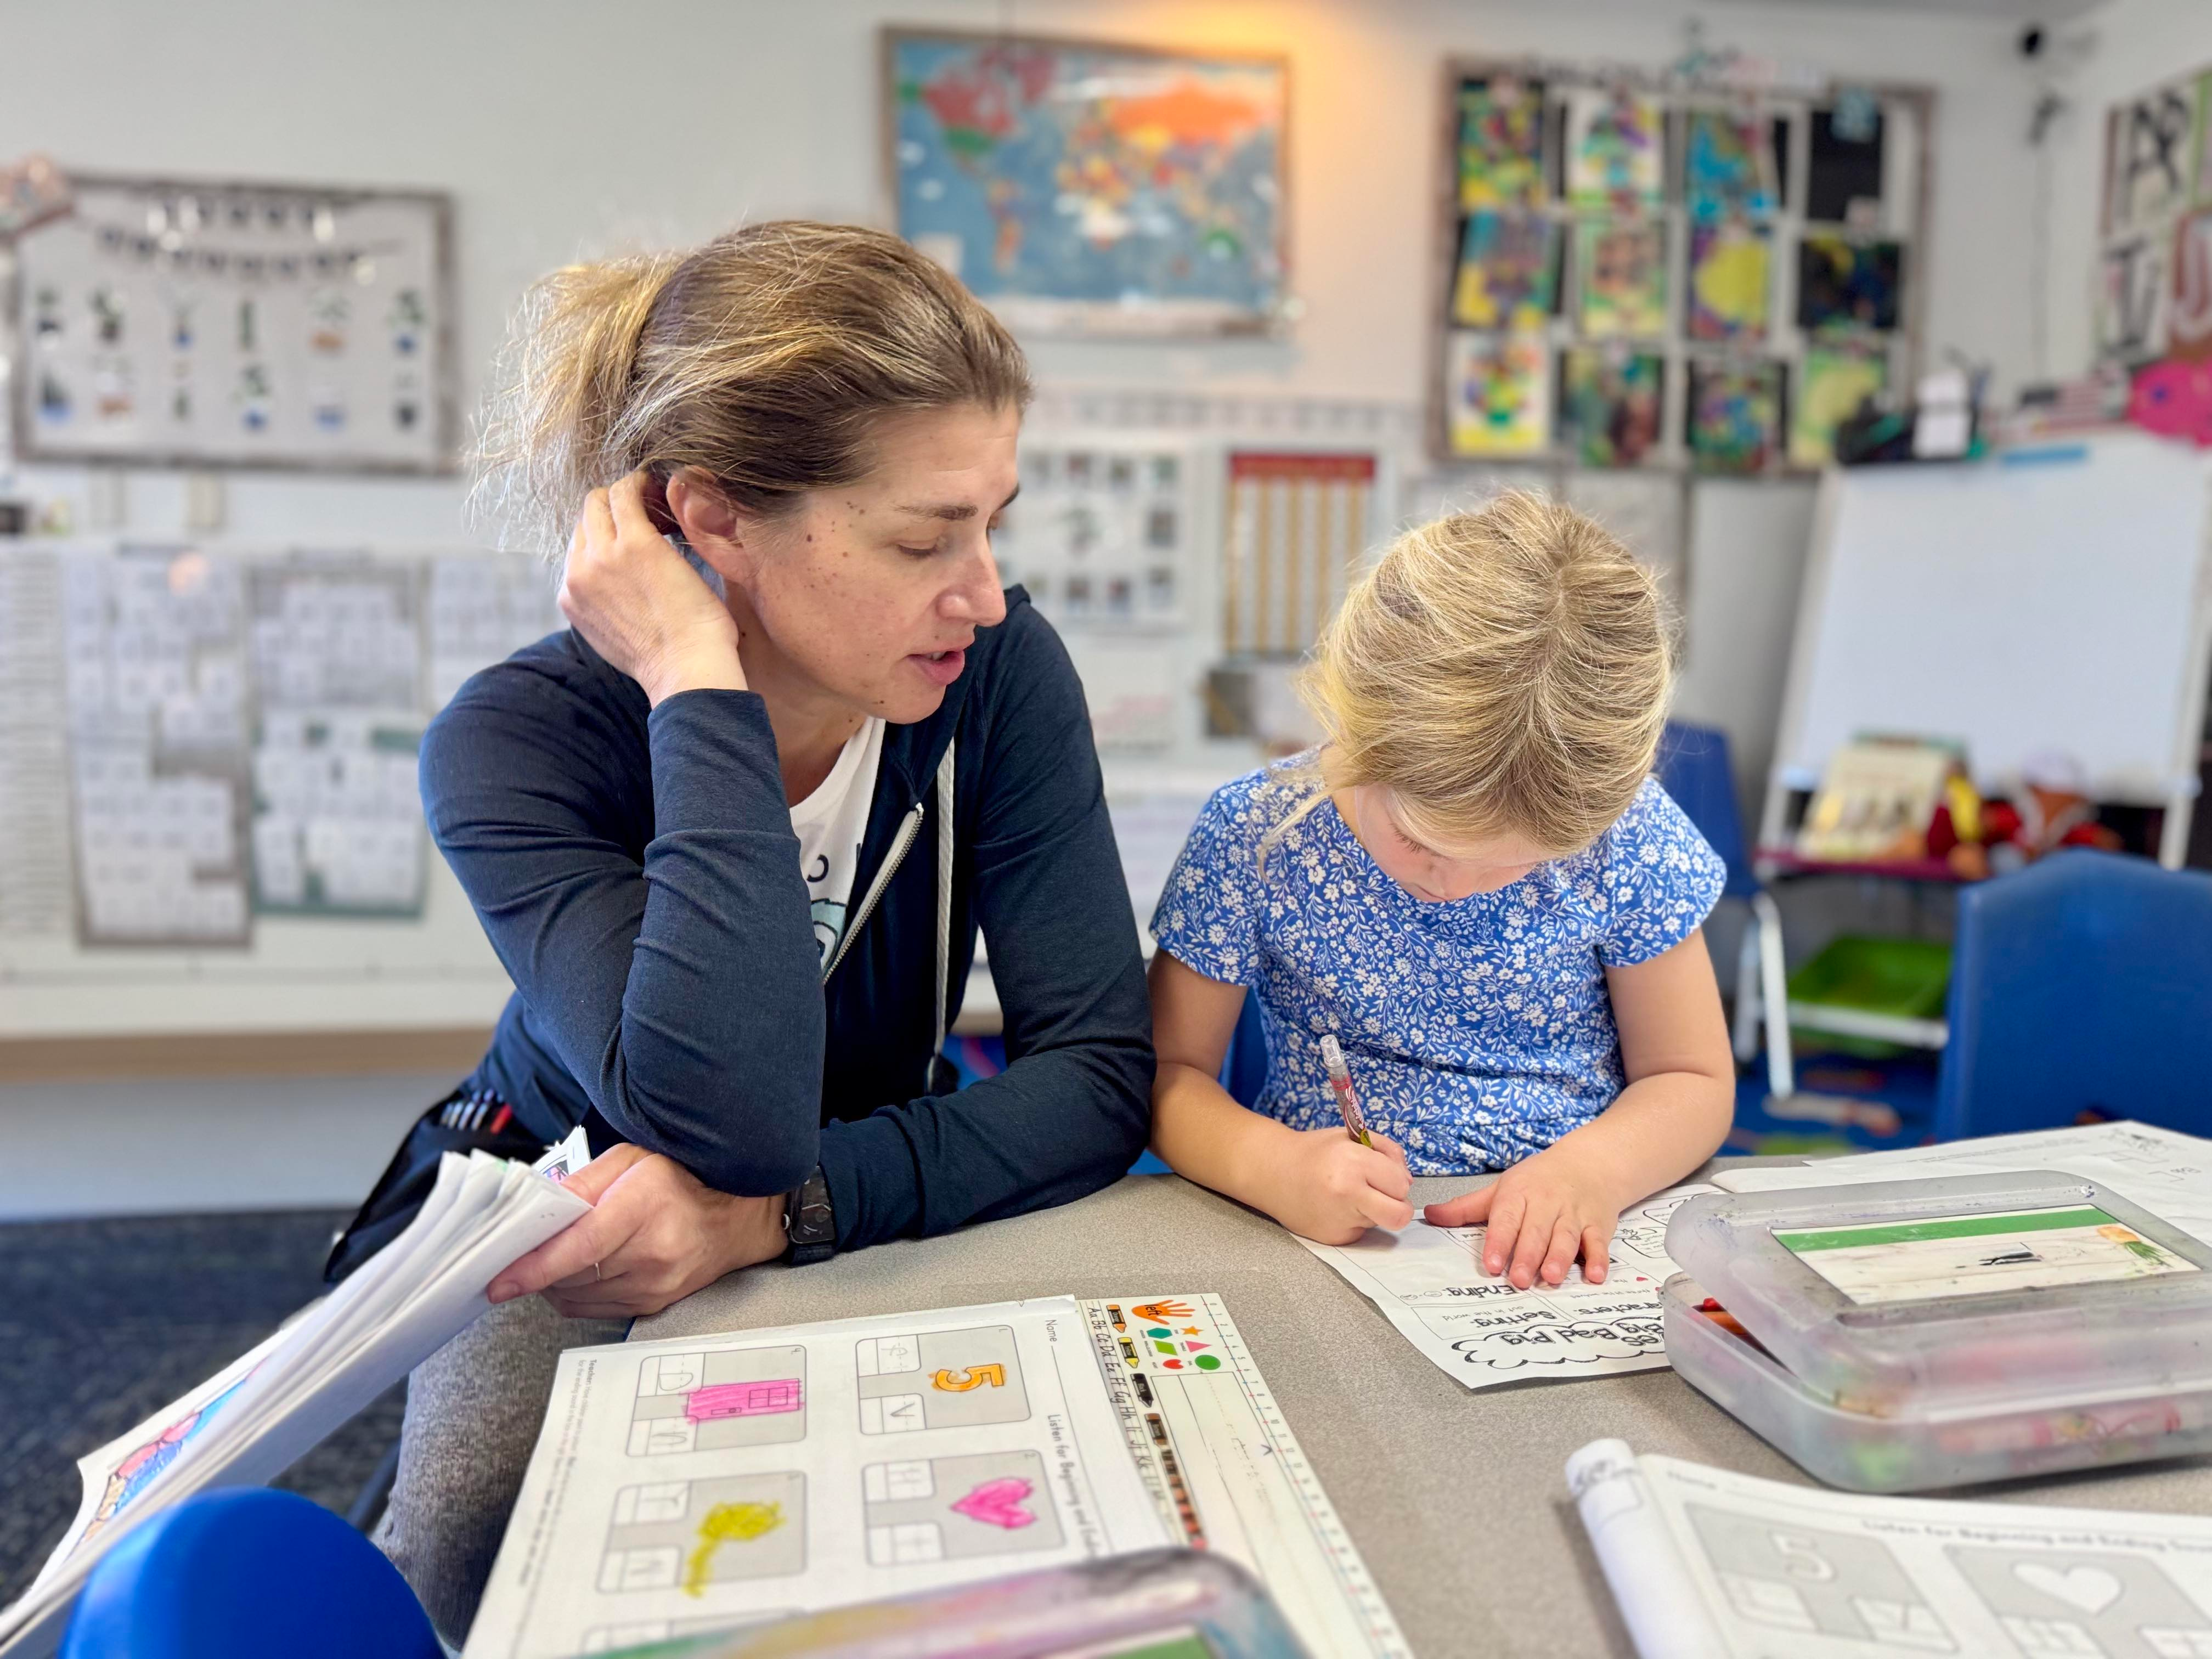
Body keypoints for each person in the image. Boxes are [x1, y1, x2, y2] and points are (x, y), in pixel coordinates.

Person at [369, 221, 1153, 1641]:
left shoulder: (997, 673)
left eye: (993, 522)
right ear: (712, 520)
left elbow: (1100, 1076)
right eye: (925, 538)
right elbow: (725, 1113)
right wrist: (694, 679)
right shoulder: (509, 746)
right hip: (573, 1212)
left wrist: (780, 1219)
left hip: (864, 1181)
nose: (982, 591)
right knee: (475, 1565)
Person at [1146, 492, 1733, 1285]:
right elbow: (1165, 1074)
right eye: (1420, 842)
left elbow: (1690, 1079)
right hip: (1331, 1239)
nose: (1455, 888)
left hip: (1577, 1240)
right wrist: (1273, 1167)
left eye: (1513, 864)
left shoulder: (1623, 834)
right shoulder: (1258, 834)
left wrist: (1596, 1171)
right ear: (1355, 728)